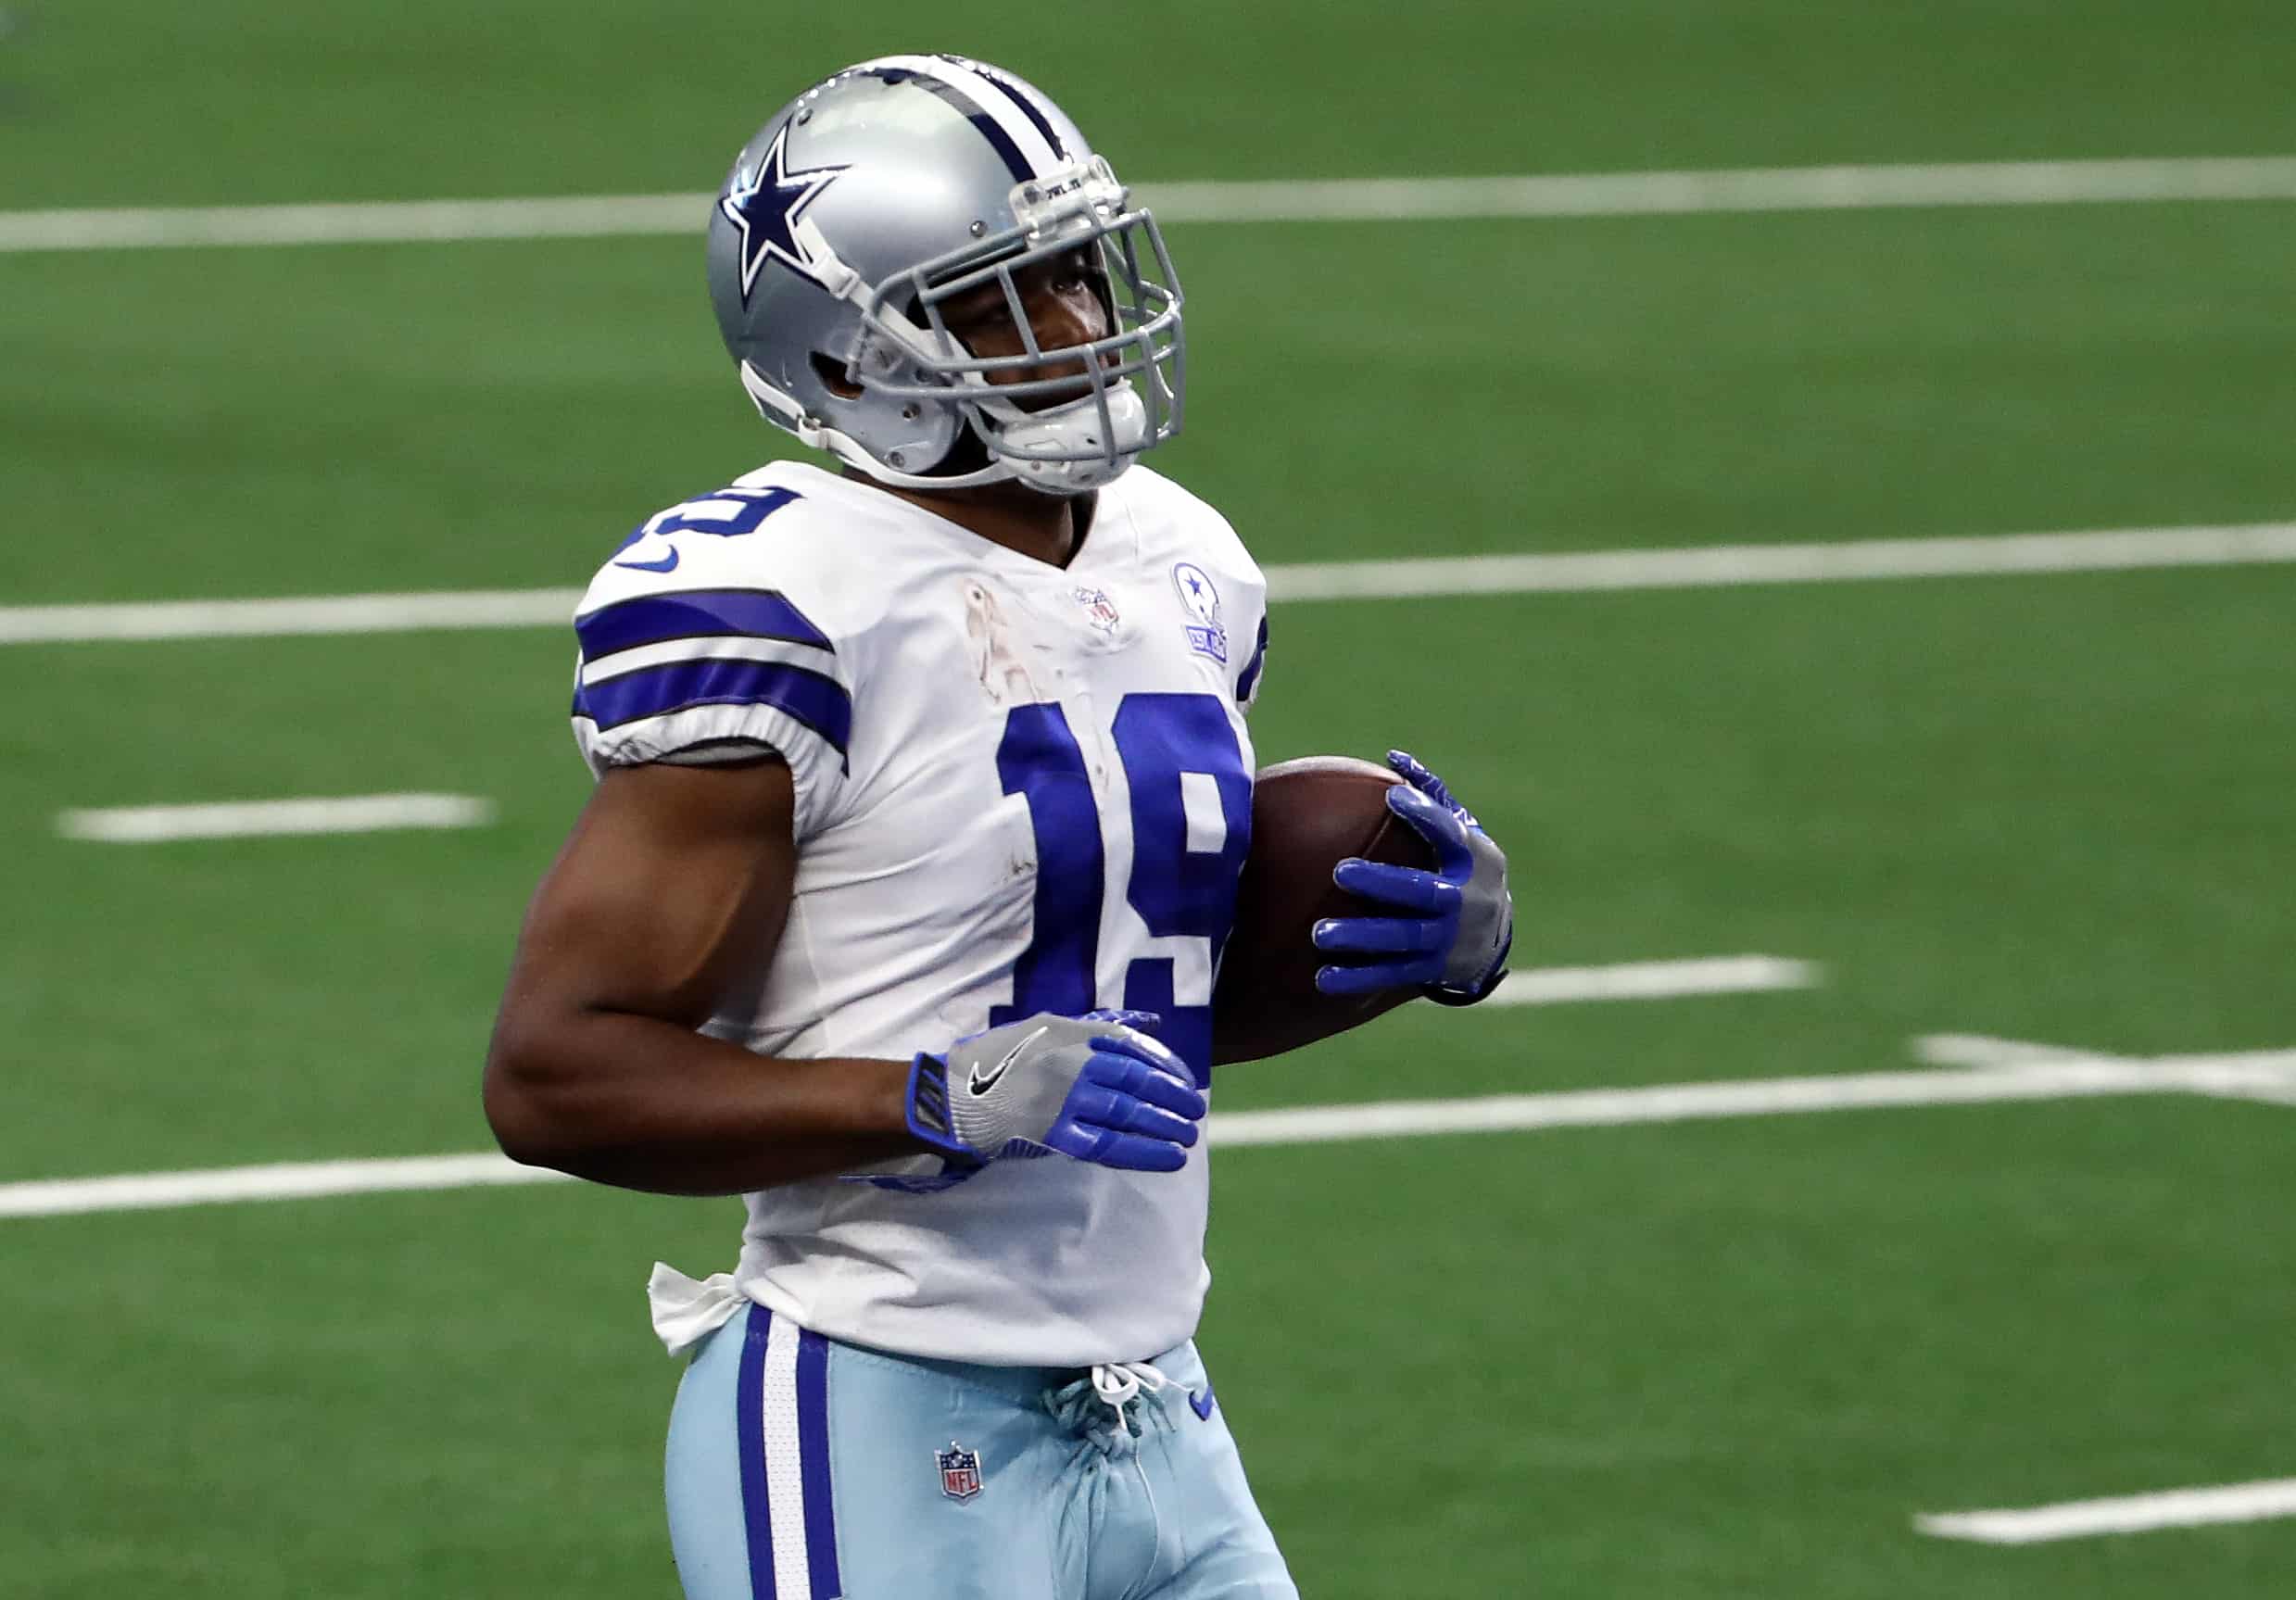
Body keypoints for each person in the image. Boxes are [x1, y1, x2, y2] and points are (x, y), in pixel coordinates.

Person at [483, 53, 1512, 1600]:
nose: (1081, 329)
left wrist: (1417, 937)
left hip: (1158, 1408)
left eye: (1076, 277)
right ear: (842, 359)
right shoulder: (782, 600)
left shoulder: (1181, 556)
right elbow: (556, 1076)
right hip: (874, 1410)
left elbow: (1112, 1024)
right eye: (993, 302)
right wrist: (928, 1097)